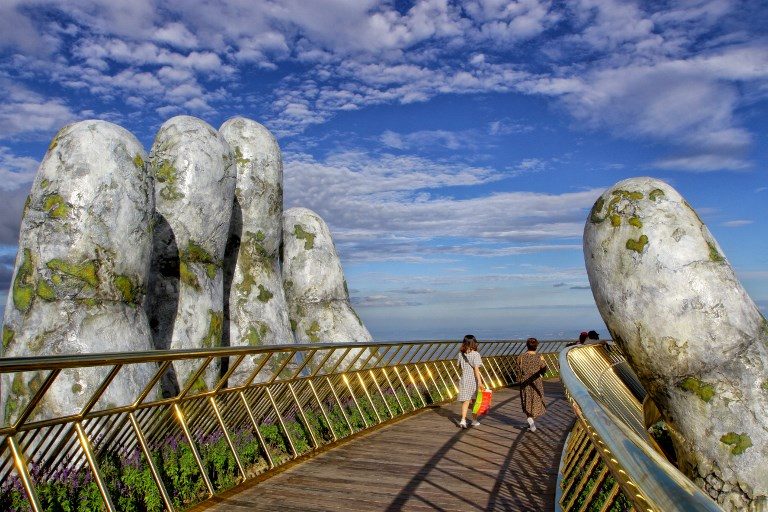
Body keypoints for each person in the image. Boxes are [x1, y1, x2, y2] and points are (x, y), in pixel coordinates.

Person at [518, 337, 548, 432]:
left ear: (527, 345)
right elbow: (544, 369)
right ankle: (531, 422)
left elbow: (518, 370)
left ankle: (530, 422)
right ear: (536, 346)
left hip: (524, 382)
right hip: (536, 382)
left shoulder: (521, 357)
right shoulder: (539, 356)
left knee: (527, 400)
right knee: (535, 399)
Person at [457, 334, 486, 429]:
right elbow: (476, 369)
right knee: (475, 401)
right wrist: (480, 382)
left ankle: (463, 420)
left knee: (466, 401)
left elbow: (459, 366)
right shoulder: (476, 354)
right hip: (473, 380)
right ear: (473, 343)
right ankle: (474, 420)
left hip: (463, 379)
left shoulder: (461, 353)